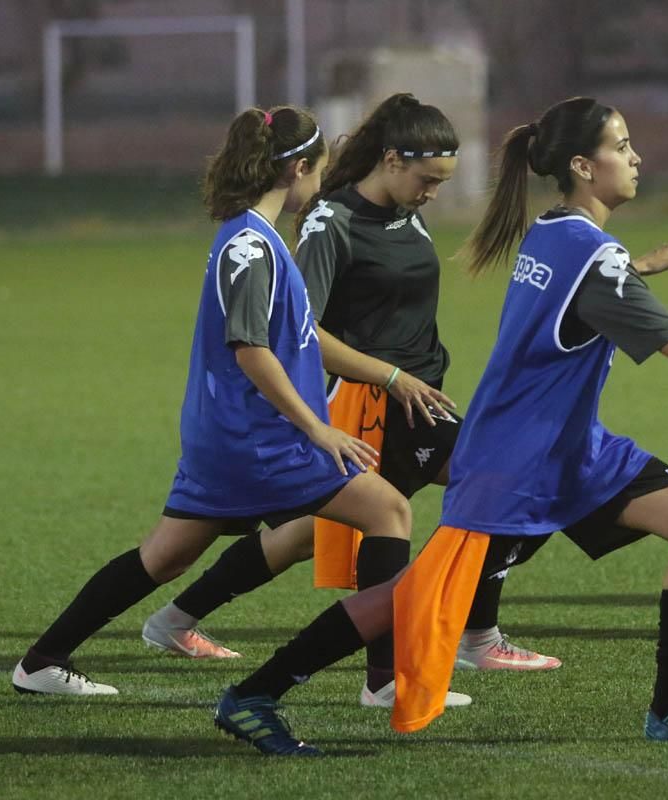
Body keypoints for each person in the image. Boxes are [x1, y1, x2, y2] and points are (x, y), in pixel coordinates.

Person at [211, 96, 668, 756]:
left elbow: (581, 294)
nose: (636, 157)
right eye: (622, 145)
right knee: (411, 596)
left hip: (573, 451)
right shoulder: (587, 253)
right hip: (515, 463)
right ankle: (255, 693)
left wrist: (638, 268)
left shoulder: (554, 232)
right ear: (583, 165)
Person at [141, 94, 556, 711]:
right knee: (508, 481)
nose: (433, 194)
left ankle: (176, 617)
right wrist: (391, 376)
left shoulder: (403, 214)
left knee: (307, 533)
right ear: (391, 159)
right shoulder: (328, 222)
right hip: (374, 403)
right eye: (426, 179)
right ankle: (461, 640)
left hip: (416, 399)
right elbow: (303, 333)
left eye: (442, 183)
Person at [11, 105, 411, 698]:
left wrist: (387, 377)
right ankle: (386, 680)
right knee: (390, 512)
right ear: (298, 168)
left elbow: (296, 336)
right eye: (319, 170)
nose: (320, 182)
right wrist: (318, 429)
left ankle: (41, 661)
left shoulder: (253, 238)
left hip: (228, 437)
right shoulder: (251, 247)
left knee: (164, 557)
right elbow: (251, 349)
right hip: (261, 440)